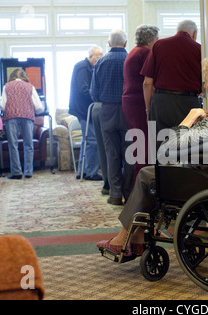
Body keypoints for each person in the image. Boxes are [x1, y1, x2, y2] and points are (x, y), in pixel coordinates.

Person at [97, 53, 208, 255]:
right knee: (155, 173)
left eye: (207, 82)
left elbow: (167, 148)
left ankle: (123, 238)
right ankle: (135, 235)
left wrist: (188, 119)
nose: (204, 86)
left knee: (148, 174)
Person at [90, 29, 133, 206]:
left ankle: (115, 194)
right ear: (125, 43)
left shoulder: (101, 62)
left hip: (106, 110)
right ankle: (129, 193)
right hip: (128, 110)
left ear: (108, 44)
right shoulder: (131, 59)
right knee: (129, 153)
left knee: (112, 153)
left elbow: (94, 93)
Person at [140, 20, 202, 137]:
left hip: (161, 103)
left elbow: (147, 83)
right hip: (188, 104)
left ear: (177, 31)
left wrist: (148, 109)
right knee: (187, 146)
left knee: (159, 146)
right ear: (194, 33)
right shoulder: (199, 49)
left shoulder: (159, 45)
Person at [122, 24, 159, 182]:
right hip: (139, 103)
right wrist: (148, 108)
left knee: (140, 146)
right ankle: (143, 190)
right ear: (151, 39)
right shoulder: (145, 53)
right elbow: (148, 82)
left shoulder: (134, 52)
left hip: (130, 102)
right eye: (157, 38)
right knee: (144, 150)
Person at [0, 68, 44, 179]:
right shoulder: (30, 87)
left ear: (12, 76)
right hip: (27, 116)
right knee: (28, 144)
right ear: (24, 76)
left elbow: (3, 106)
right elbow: (38, 107)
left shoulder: (7, 86)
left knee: (13, 144)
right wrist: (39, 112)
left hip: (11, 116)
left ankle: (16, 172)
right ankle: (28, 172)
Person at [69, 46, 104, 181]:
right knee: (92, 140)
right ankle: (91, 172)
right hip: (84, 110)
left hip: (83, 109)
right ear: (90, 56)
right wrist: (99, 96)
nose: (100, 59)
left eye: (101, 56)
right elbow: (84, 90)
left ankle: (82, 170)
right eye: (97, 56)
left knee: (87, 140)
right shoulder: (83, 68)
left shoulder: (87, 67)